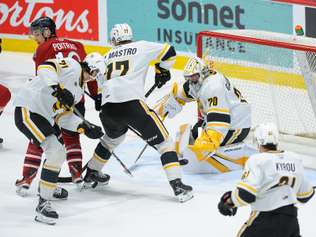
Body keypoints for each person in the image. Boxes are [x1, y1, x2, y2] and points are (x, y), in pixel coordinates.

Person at [82, 23, 193, 202]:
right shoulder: (140, 46)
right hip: (132, 105)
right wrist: (162, 70)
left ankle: (91, 173)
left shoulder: (105, 56)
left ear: (113, 39)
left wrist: (99, 98)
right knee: (164, 143)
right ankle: (178, 187)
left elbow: (98, 83)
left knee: (112, 140)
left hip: (108, 109)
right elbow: (169, 51)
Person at [13, 55, 105, 225]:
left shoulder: (78, 93)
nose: (95, 77)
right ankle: (42, 205)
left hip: (44, 117)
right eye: (96, 72)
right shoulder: (71, 65)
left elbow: (63, 117)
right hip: (28, 108)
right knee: (56, 151)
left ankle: (46, 186)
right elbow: (44, 67)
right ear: (90, 67)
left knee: (57, 149)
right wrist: (58, 89)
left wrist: (84, 127)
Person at [15, 16, 98, 194]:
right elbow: (88, 72)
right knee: (67, 139)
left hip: (53, 101)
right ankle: (76, 176)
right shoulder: (78, 45)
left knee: (42, 140)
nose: (35, 38)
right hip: (73, 98)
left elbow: (42, 75)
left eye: (37, 33)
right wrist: (97, 95)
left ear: (47, 32)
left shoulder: (43, 47)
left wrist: (56, 89)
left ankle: (27, 179)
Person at [157, 56, 254, 174]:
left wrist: (207, 143)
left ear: (202, 73)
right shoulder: (198, 81)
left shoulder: (213, 86)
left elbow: (220, 121)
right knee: (189, 138)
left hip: (237, 126)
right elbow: (179, 92)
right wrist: (162, 110)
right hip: (219, 119)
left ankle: (232, 158)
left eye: (194, 77)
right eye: (189, 78)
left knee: (204, 146)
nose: (191, 81)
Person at [217, 123, 315, 237]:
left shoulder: (257, 160)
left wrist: (230, 201)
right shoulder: (294, 159)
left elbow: (246, 195)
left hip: (264, 220)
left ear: (258, 141)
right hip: (290, 222)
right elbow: (306, 195)